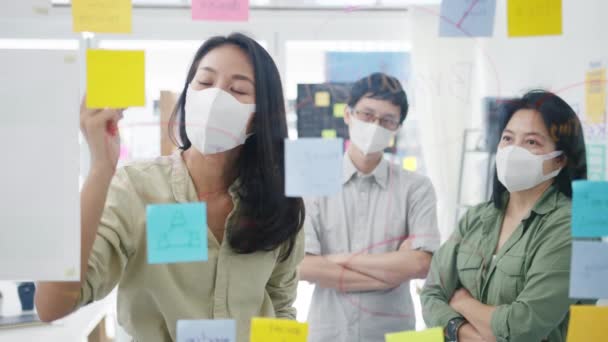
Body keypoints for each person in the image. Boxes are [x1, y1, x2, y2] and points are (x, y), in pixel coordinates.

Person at [35, 33, 305, 342]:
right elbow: (51, 305)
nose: (216, 97)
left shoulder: (278, 201)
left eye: (237, 89)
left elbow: (281, 306)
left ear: (259, 117)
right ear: (188, 95)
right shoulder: (137, 189)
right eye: (204, 83)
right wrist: (100, 168)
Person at [421, 90, 588, 342]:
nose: (513, 150)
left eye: (531, 142)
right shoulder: (477, 217)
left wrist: (462, 301)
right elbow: (431, 294)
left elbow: (523, 326)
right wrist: (465, 333)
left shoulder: (571, 226)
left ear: (559, 160)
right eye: (507, 138)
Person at [299, 72, 440, 342]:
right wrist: (389, 274)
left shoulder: (417, 187)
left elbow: (422, 264)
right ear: (348, 114)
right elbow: (303, 267)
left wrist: (335, 261)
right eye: (366, 114)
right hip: (328, 332)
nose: (375, 125)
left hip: (393, 333)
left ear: (396, 128)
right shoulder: (312, 183)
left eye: (387, 120)